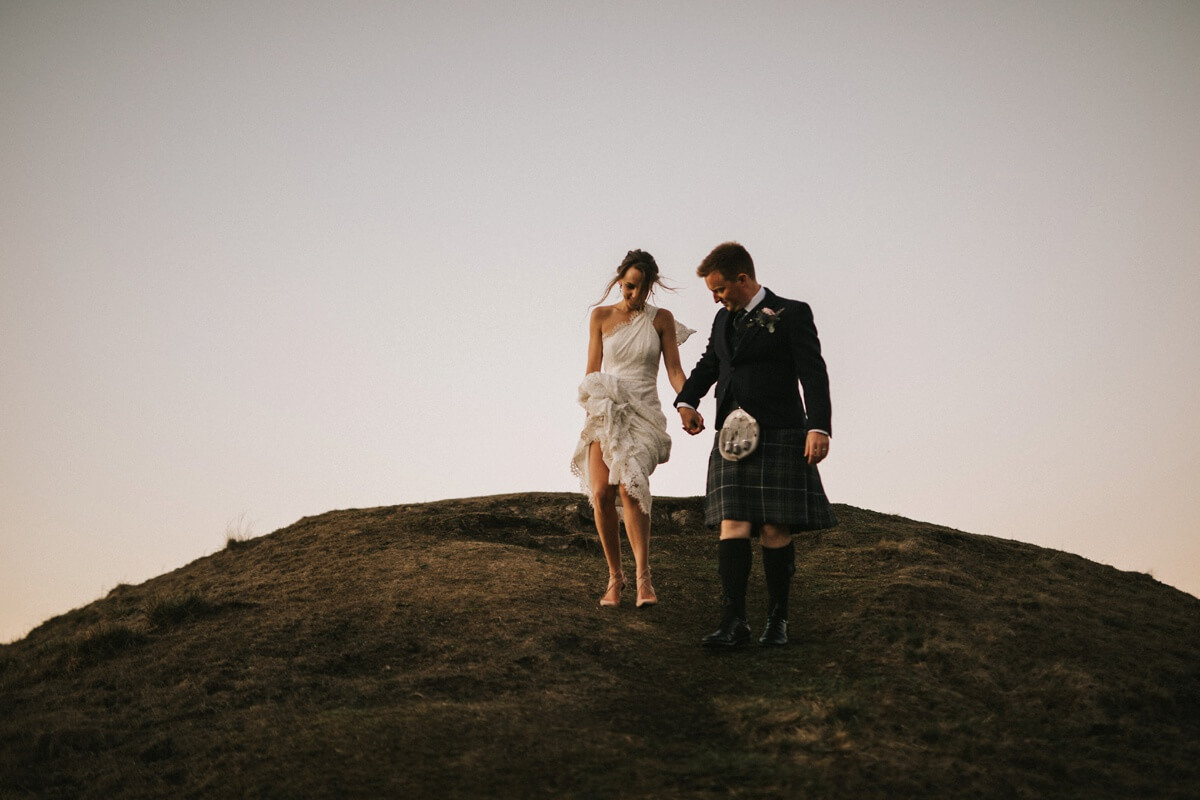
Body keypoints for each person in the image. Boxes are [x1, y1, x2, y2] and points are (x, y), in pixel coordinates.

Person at [675, 241, 836, 647]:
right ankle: (733, 621)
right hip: (731, 434)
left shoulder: (791, 313)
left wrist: (818, 426)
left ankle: (777, 621)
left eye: (720, 289)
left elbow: (813, 373)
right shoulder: (720, 321)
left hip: (780, 430)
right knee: (732, 524)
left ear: (742, 279)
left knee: (773, 525)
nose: (716, 298)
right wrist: (687, 400)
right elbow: (711, 364)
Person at [571, 250, 695, 608]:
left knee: (630, 485)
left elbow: (673, 370)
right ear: (620, 281)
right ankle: (614, 578)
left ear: (651, 286)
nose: (635, 296)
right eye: (629, 287)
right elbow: (592, 371)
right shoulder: (600, 317)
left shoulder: (662, 320)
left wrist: (686, 404)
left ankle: (644, 579)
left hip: (644, 415)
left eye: (642, 289)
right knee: (600, 493)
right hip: (607, 409)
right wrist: (594, 410)